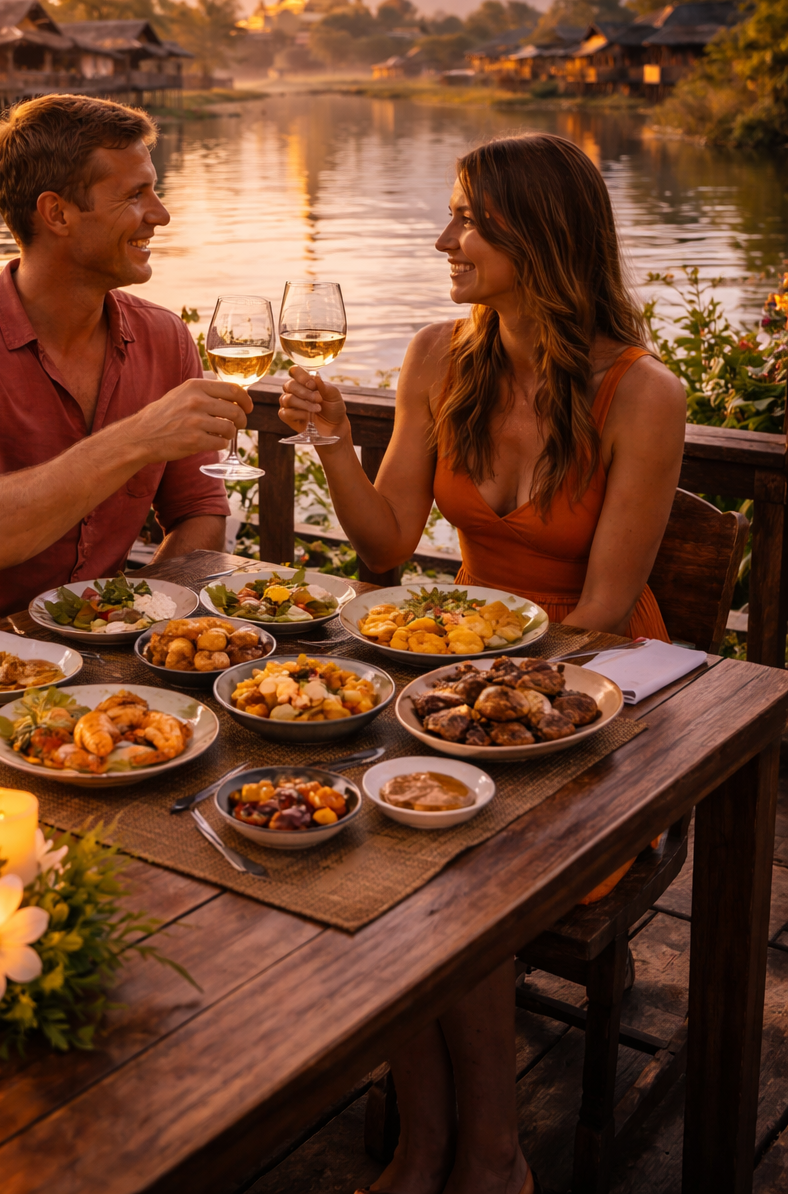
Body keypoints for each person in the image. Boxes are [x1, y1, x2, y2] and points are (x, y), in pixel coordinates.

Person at [278, 133, 685, 1194]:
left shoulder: (641, 395)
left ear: (539, 236)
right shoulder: (434, 357)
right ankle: (426, 1144)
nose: (442, 238)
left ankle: (490, 1156)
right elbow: (384, 547)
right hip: (456, 685)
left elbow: (598, 617)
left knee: (452, 871)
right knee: (367, 838)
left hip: (592, 702)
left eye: (468, 218)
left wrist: (466, 696)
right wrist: (331, 438)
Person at [0, 94, 251, 624]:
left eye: (155, 189)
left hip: (98, 656)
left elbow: (200, 512)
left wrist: (139, 618)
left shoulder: (165, 338)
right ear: (57, 213)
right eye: (134, 195)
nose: (160, 215)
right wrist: (138, 437)